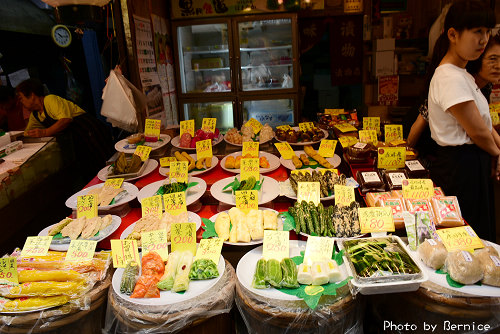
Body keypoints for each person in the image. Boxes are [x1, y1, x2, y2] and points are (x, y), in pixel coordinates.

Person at [426, 1, 499, 241]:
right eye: (477, 31)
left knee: (477, 237)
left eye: (487, 32)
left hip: (472, 165)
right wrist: (496, 154)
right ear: (453, 35)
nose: (484, 39)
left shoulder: (463, 74)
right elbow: (478, 132)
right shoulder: (448, 76)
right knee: (466, 241)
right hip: (461, 170)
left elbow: (485, 125)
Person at [407, 34, 500, 150]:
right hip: (432, 149)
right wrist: (407, 154)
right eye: (492, 59)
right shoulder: (455, 84)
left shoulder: (486, 86)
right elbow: (419, 124)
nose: (498, 66)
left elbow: (483, 125)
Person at [17, 78, 114, 184]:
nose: (21, 102)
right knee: (92, 171)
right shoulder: (36, 114)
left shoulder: (49, 100)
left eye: (21, 98)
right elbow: (27, 133)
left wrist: (44, 132)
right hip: (78, 140)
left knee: (106, 164)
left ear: (31, 95)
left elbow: (66, 119)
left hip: (89, 131)